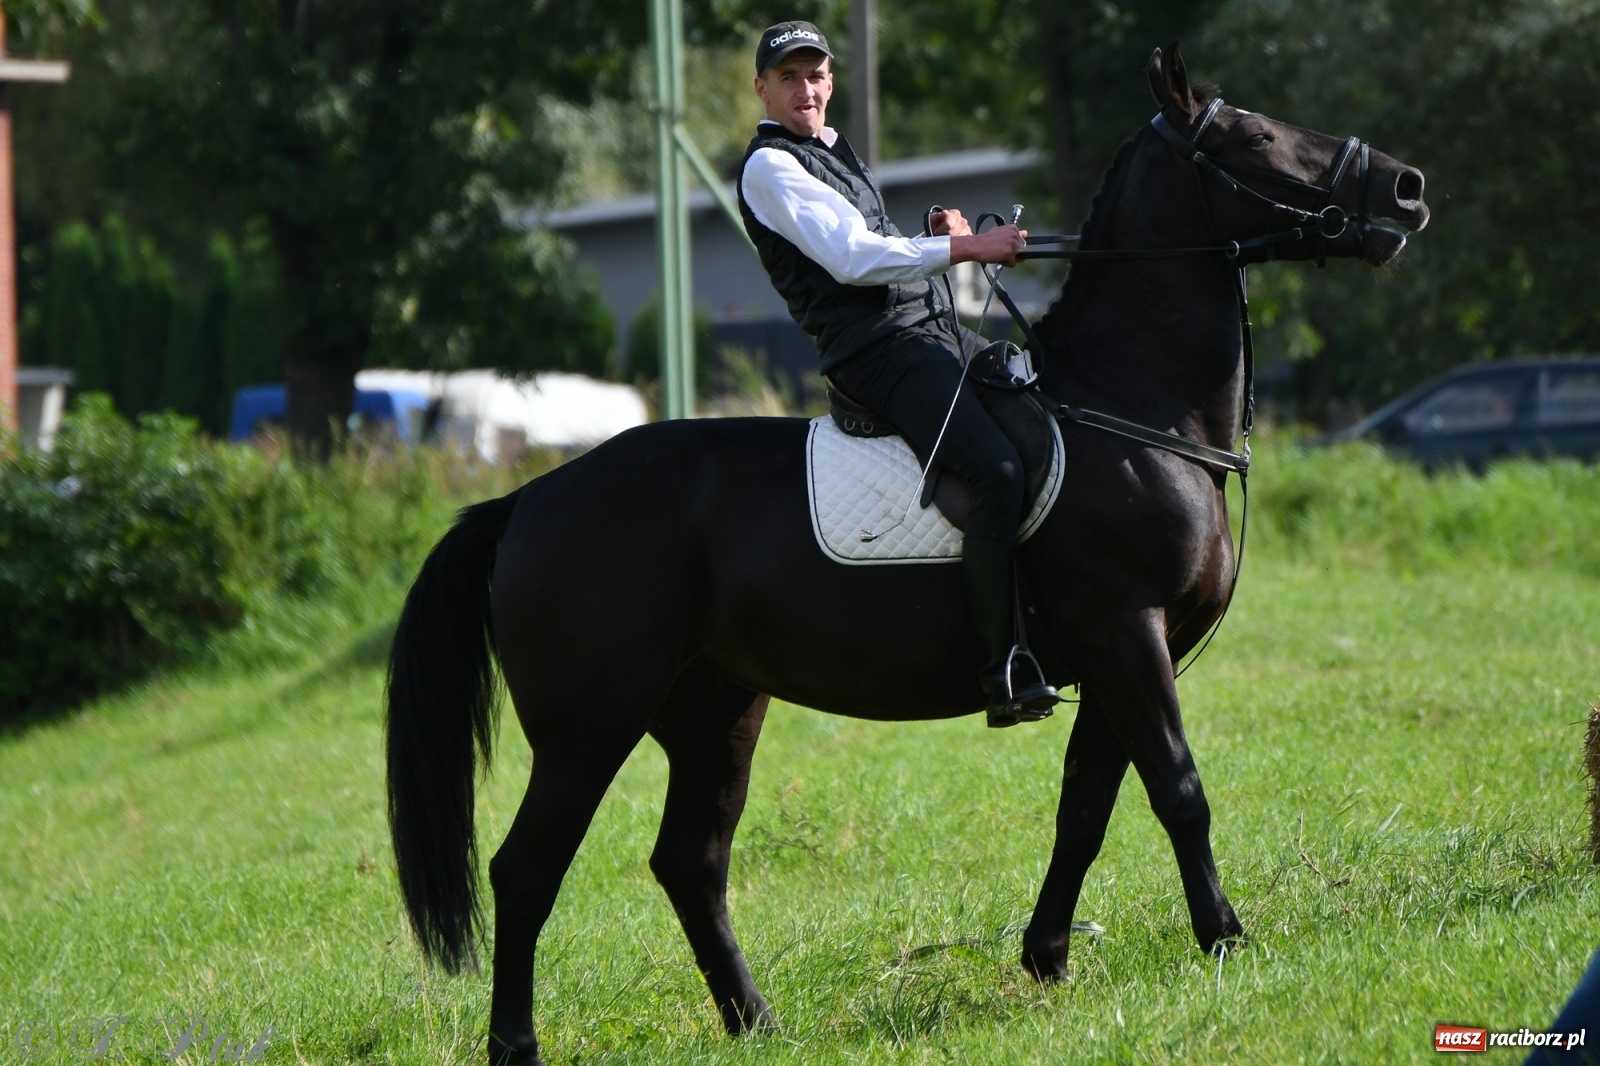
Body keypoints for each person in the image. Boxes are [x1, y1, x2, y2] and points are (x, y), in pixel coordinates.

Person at [736, 20, 1059, 727]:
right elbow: (851, 259)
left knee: (1049, 410)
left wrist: (936, 235)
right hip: (878, 355)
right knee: (996, 473)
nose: (806, 88)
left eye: (815, 74)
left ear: (830, 81)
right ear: (762, 88)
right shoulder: (769, 167)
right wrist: (967, 247)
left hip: (929, 333)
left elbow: (878, 245)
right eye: (789, 77)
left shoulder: (832, 153)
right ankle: (1003, 666)